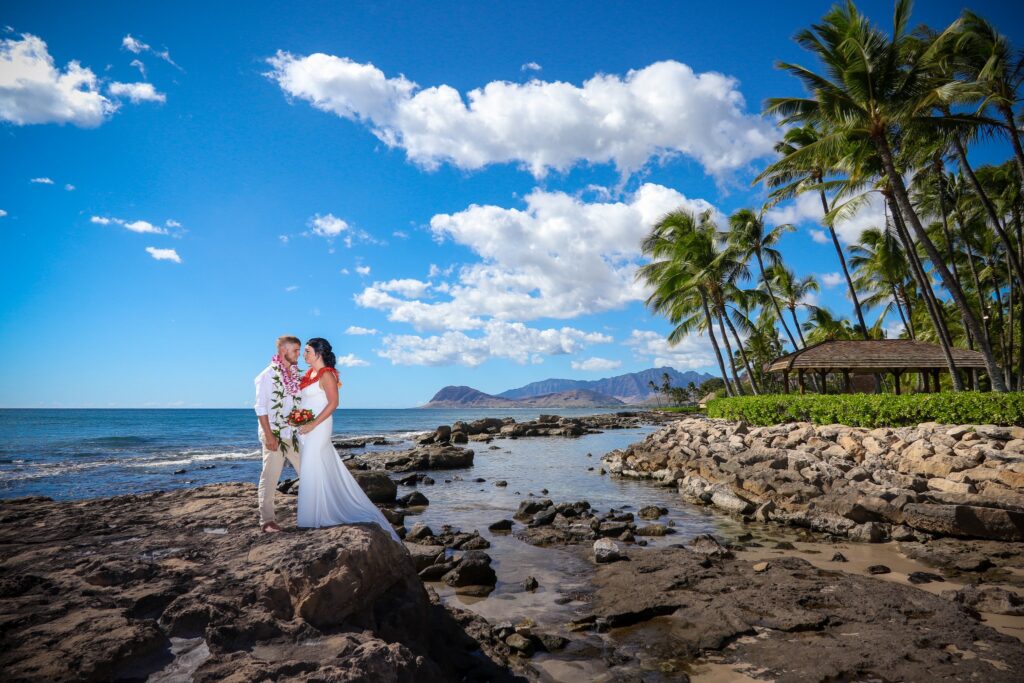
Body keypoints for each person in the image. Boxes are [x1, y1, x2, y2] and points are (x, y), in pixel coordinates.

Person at [295, 337, 400, 541]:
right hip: (306, 428)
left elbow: (334, 403)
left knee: (311, 466)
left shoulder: (326, 374)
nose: (304, 355)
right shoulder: (310, 374)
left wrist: (312, 424)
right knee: (316, 468)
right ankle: (315, 514)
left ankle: (314, 517)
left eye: (307, 351)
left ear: (318, 353)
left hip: (318, 427)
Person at [254, 335, 303, 533]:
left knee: (308, 473)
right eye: (296, 350)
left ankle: (313, 513)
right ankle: (267, 522)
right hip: (274, 434)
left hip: (292, 434)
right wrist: (269, 436)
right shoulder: (267, 375)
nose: (299, 355)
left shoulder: (293, 374)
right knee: (270, 477)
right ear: (284, 350)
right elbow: (260, 408)